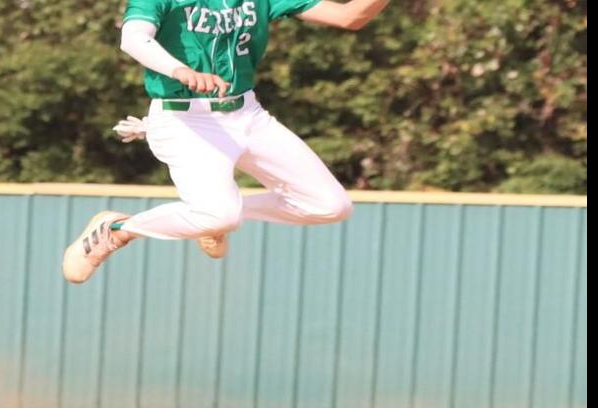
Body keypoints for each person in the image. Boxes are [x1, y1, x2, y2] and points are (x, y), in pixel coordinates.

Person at [63, 0, 391, 284]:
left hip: (246, 114)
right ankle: (117, 229)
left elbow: (351, 16)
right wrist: (179, 70)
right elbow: (133, 39)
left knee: (330, 206)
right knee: (220, 215)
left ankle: (207, 218)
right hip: (184, 120)